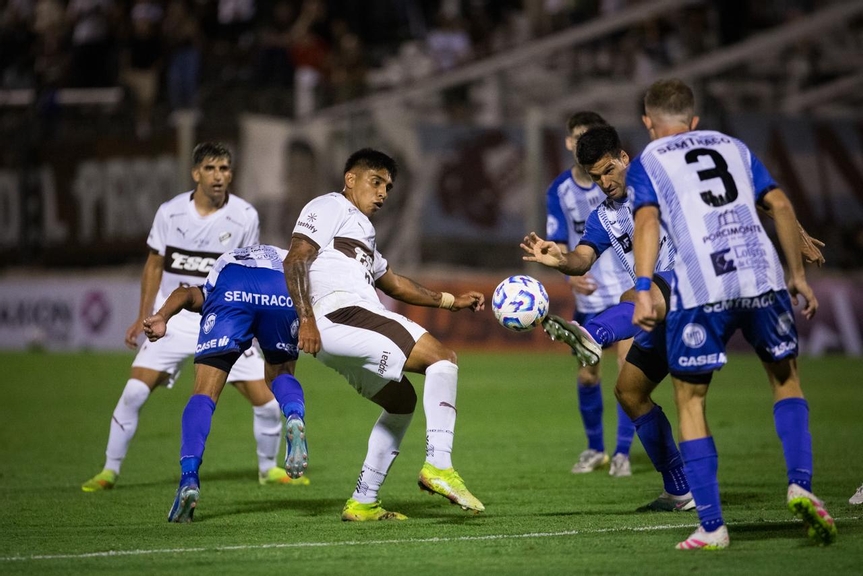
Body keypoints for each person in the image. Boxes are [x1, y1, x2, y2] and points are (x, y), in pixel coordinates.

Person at [525, 125, 826, 513]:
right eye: (595, 176)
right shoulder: (604, 217)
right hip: (662, 307)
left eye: (608, 171)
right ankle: (679, 489)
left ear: (623, 158)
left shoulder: (661, 181)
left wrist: (796, 233)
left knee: (638, 294)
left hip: (694, 285)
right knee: (629, 393)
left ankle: (590, 333)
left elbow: (743, 196)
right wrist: (560, 258)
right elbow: (583, 257)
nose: (604, 182)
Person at [630, 78, 836, 549]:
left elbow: (646, 220)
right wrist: (797, 274)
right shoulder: (733, 146)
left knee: (691, 401)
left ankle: (712, 526)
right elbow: (779, 204)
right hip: (761, 277)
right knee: (786, 381)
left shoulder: (652, 159)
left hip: (703, 287)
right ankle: (801, 484)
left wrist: (643, 288)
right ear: (693, 119)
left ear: (648, 122)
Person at [82, 142, 298, 492]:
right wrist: (145, 315)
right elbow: (154, 263)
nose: (219, 176)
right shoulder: (170, 213)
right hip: (176, 318)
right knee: (135, 392)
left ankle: (267, 469)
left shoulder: (244, 215)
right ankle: (109, 471)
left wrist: (254, 321)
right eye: (211, 169)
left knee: (268, 404)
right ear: (196, 173)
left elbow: (251, 268)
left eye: (225, 169)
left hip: (226, 316)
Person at [285, 148, 486, 521]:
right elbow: (296, 257)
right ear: (350, 179)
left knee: (400, 402)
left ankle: (363, 501)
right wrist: (306, 317)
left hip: (343, 328)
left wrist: (448, 301)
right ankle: (438, 465)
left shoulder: (363, 231)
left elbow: (391, 281)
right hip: (341, 313)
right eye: (375, 182)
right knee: (443, 359)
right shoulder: (329, 205)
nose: (382, 193)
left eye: (388, 187)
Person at [142, 244, 309, 522]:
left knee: (204, 394)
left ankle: (189, 477)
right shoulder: (286, 255)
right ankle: (294, 414)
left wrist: (162, 316)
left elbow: (185, 293)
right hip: (282, 287)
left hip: (233, 287)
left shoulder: (221, 269)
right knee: (280, 373)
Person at [545, 111, 637, 477]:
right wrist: (568, 277)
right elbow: (562, 243)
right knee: (588, 376)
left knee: (628, 376)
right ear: (570, 143)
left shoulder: (632, 187)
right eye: (577, 137)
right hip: (589, 295)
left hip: (628, 291)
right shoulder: (560, 191)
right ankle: (596, 448)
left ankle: (623, 452)